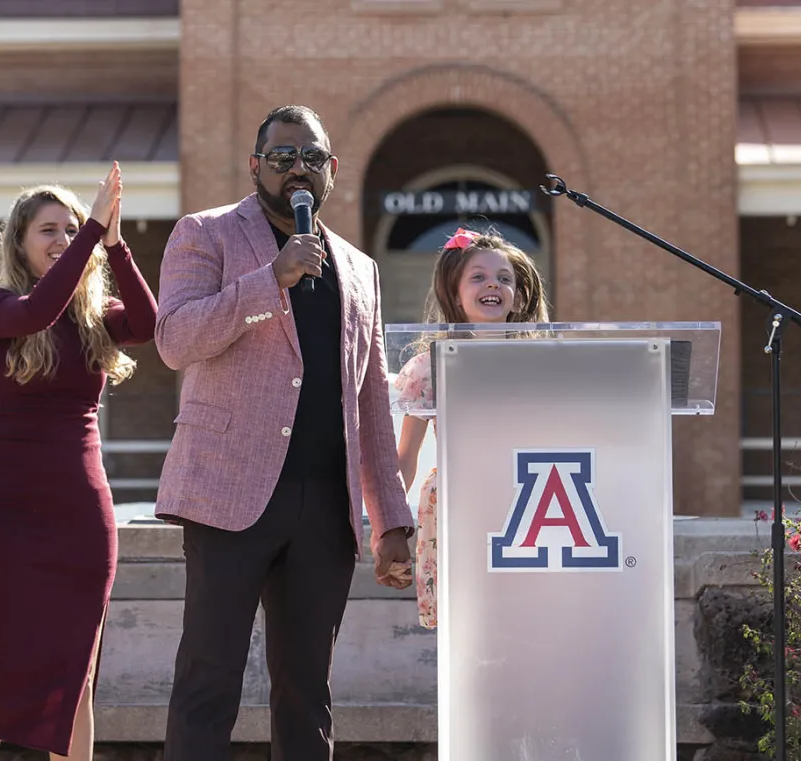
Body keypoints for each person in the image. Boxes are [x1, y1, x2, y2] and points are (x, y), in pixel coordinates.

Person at [153, 104, 414, 761]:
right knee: (209, 680)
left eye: (311, 158)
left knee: (307, 693)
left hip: (325, 508)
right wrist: (269, 280)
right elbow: (176, 339)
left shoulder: (359, 268)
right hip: (227, 494)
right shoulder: (204, 234)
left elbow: (373, 399)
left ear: (332, 170)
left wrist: (392, 517)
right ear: (255, 166)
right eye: (282, 157)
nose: (298, 168)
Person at [0, 162, 158, 761]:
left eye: (72, 230)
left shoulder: (92, 316)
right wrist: (94, 229)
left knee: (76, 676)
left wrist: (114, 244)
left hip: (79, 511)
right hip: (5, 512)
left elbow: (147, 324)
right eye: (49, 230)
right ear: (19, 241)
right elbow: (37, 312)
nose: (65, 239)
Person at [394, 226, 550, 629]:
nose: (492, 285)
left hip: (527, 499)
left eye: (504, 278)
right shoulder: (430, 365)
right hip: (456, 502)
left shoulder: (541, 363)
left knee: (524, 619)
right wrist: (390, 526)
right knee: (467, 622)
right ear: (455, 293)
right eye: (478, 276)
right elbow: (406, 456)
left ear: (518, 296)